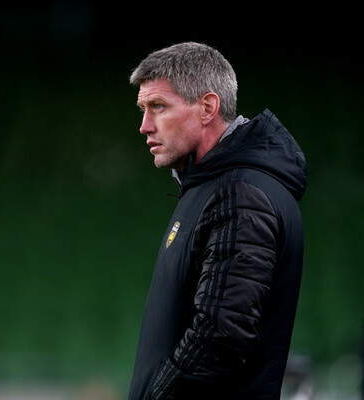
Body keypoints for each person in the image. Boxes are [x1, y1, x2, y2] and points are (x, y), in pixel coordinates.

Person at [127, 42, 308, 400]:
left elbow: (221, 335)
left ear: (208, 107)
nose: (144, 126)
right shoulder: (212, 186)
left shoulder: (241, 194)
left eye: (158, 106)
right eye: (143, 109)